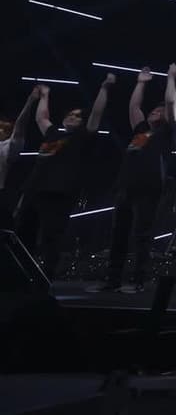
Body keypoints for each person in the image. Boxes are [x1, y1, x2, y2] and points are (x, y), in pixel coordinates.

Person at [92, 65, 176, 293]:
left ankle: (138, 280)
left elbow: (170, 103)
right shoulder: (141, 131)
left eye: (160, 111)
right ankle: (112, 280)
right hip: (126, 186)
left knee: (142, 234)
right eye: (154, 110)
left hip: (149, 187)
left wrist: (171, 78)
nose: (155, 111)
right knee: (118, 234)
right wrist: (141, 83)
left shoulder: (168, 132)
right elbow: (134, 107)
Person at [16, 77, 114, 277]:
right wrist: (45, 95)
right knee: (22, 234)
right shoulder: (54, 134)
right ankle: (20, 274)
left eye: (77, 116)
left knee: (51, 237)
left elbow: (96, 113)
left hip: (59, 192)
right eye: (70, 114)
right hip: (34, 189)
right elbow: (41, 118)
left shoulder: (83, 137)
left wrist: (104, 88)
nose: (72, 117)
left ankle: (45, 278)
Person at [1, 87, 39, 230]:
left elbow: (20, 128)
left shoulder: (7, 147)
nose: (1, 130)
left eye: (6, 128)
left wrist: (30, 101)